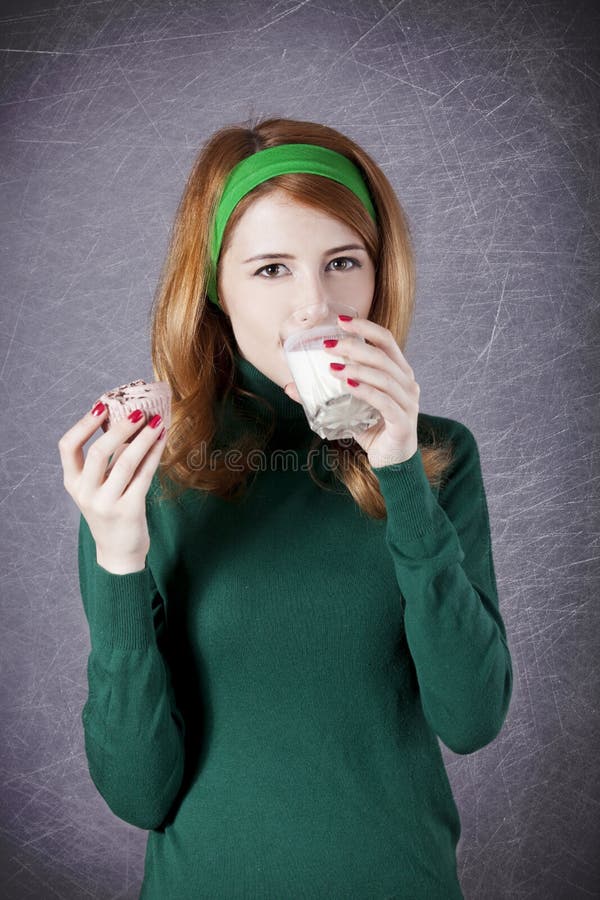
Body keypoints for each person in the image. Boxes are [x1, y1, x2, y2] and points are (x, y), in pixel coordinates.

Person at [58, 116, 513, 899]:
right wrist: (118, 557)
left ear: (379, 273)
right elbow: (138, 793)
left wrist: (398, 468)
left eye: (343, 261)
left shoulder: (439, 454)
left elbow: (472, 719)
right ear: (214, 289)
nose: (314, 307)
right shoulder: (148, 475)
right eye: (271, 269)